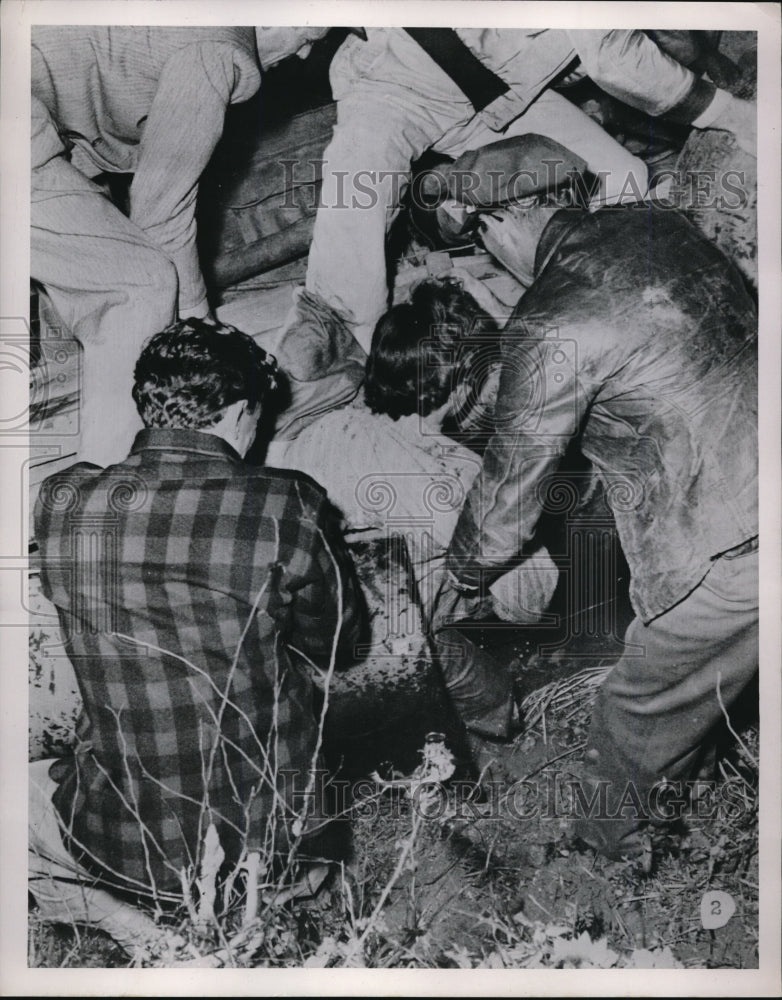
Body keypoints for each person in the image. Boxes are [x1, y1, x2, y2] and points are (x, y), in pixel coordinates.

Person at [433, 198, 757, 863]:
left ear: (498, 222)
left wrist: (463, 577)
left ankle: (607, 851)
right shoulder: (655, 221)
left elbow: (510, 487)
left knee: (635, 706)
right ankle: (706, 785)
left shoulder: (553, 318)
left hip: (735, 534)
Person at [30, 319, 363, 953]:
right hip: (276, 836)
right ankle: (278, 896)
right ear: (240, 412)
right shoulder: (287, 504)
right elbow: (339, 645)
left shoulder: (62, 498)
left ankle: (130, 922)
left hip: (130, 848)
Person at [282, 26, 757, 368]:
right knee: (359, 182)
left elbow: (651, 44)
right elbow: (615, 58)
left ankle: (576, 298)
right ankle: (339, 326)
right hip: (400, 82)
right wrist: (734, 116)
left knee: (626, 177)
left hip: (502, 94)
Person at [31, 26, 328, 467]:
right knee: (141, 285)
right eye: (306, 33)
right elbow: (160, 214)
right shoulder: (216, 49)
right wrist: (202, 329)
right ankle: (111, 499)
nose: (304, 54)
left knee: (104, 259)